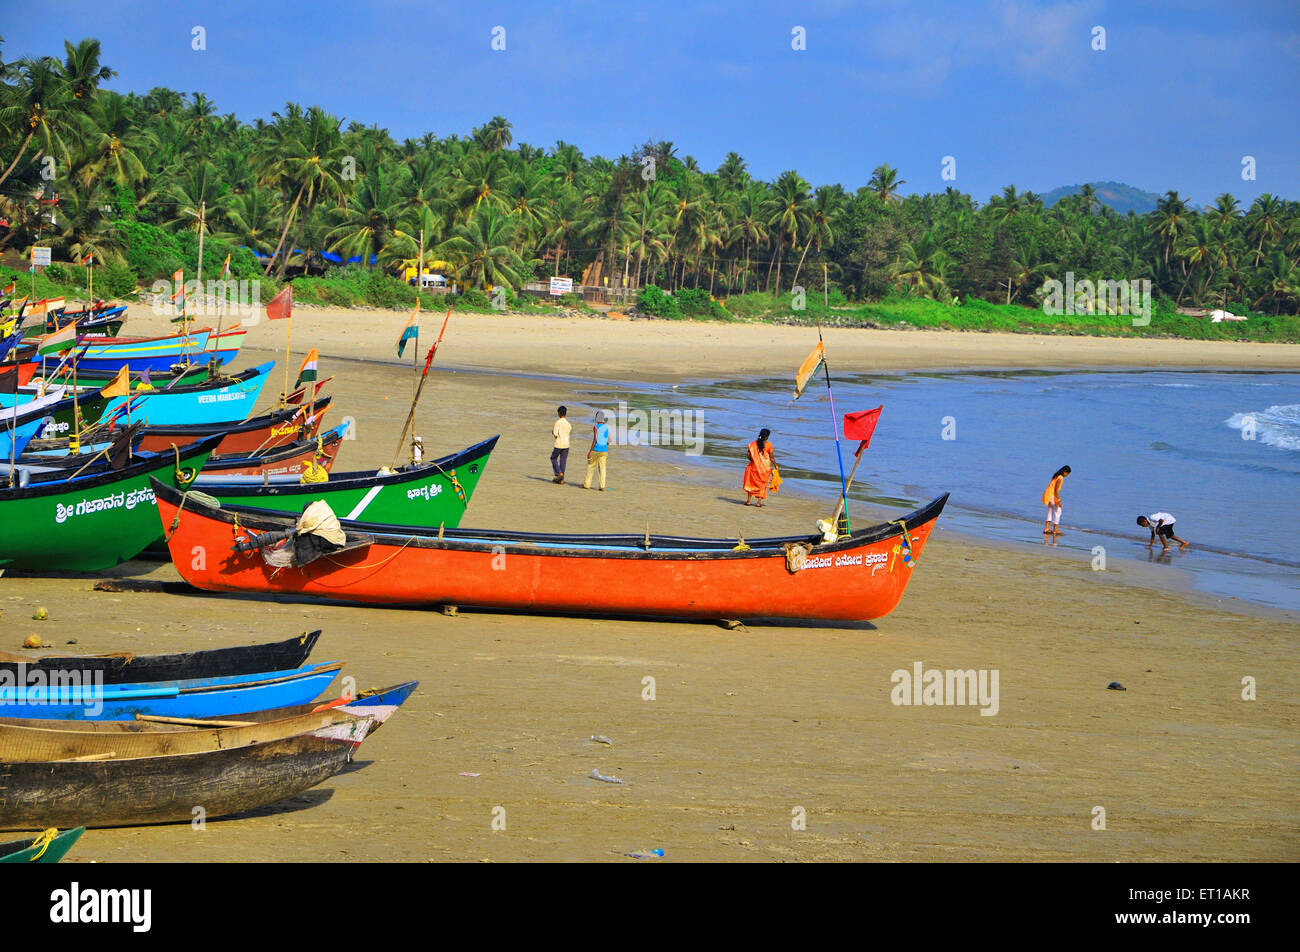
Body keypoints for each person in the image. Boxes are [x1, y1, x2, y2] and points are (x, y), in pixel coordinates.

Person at [742, 428, 776, 507]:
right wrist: (776, 465)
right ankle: (758, 503)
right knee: (762, 485)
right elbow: (772, 458)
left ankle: (748, 501)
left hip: (754, 467)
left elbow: (748, 454)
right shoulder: (769, 445)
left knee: (751, 483)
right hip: (764, 469)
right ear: (767, 437)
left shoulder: (753, 444)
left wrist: (753, 460)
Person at [583, 409, 611, 491]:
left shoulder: (595, 427)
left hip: (596, 449)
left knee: (591, 467)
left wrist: (590, 451)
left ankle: (587, 484)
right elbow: (609, 441)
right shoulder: (606, 428)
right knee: (602, 468)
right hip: (604, 451)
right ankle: (602, 486)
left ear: (597, 418)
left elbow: (595, 439)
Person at [1041, 465, 1070, 536]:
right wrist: (1058, 500)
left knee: (1050, 511)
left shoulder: (1056, 476)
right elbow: (1056, 490)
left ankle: (1046, 528)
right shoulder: (1060, 478)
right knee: (1058, 511)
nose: (1068, 475)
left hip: (1048, 494)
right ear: (1065, 472)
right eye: (1068, 473)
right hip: (1052, 495)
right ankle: (1055, 529)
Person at [550, 405, 571, 484]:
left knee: (553, 458)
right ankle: (561, 479)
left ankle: (559, 473)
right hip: (566, 444)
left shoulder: (558, 422)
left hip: (559, 443)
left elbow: (555, 434)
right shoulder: (568, 424)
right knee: (563, 461)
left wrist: (553, 432)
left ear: (559, 413)